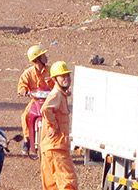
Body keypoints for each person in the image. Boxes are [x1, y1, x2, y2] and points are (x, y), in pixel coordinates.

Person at [40, 61, 79, 190]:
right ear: (55, 79)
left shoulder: (60, 94)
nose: (67, 79)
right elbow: (45, 109)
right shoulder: (56, 94)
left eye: (68, 76)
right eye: (63, 76)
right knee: (68, 183)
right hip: (57, 147)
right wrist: (53, 126)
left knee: (52, 186)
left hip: (50, 147)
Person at [17, 45, 55, 154]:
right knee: (25, 115)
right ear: (37, 59)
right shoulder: (28, 73)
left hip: (49, 101)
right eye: (43, 55)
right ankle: (27, 139)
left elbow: (57, 82)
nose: (46, 57)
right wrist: (23, 90)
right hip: (35, 101)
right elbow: (22, 84)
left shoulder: (51, 71)